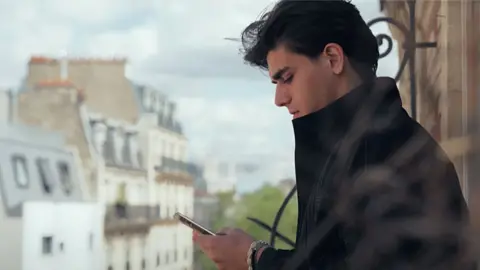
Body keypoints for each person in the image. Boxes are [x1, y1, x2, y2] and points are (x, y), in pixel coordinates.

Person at [194, 0, 473, 269]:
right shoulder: (352, 143)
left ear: (333, 58)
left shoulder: (387, 149)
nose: (279, 98)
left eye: (287, 77)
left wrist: (256, 259)